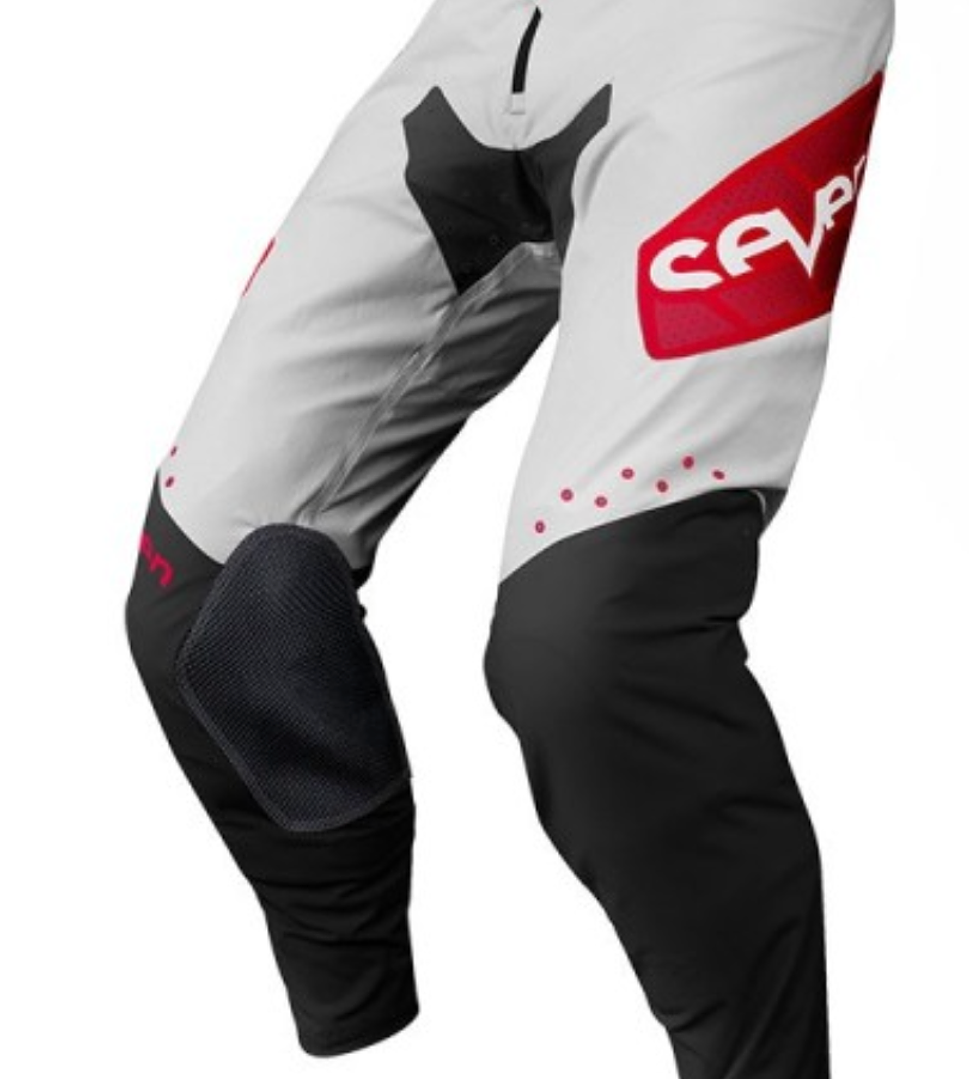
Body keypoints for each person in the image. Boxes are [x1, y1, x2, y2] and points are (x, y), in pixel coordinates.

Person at [125, 1, 896, 1074]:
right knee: (213, 604)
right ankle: (367, 1037)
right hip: (492, 34)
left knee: (597, 651)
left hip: (733, 32)